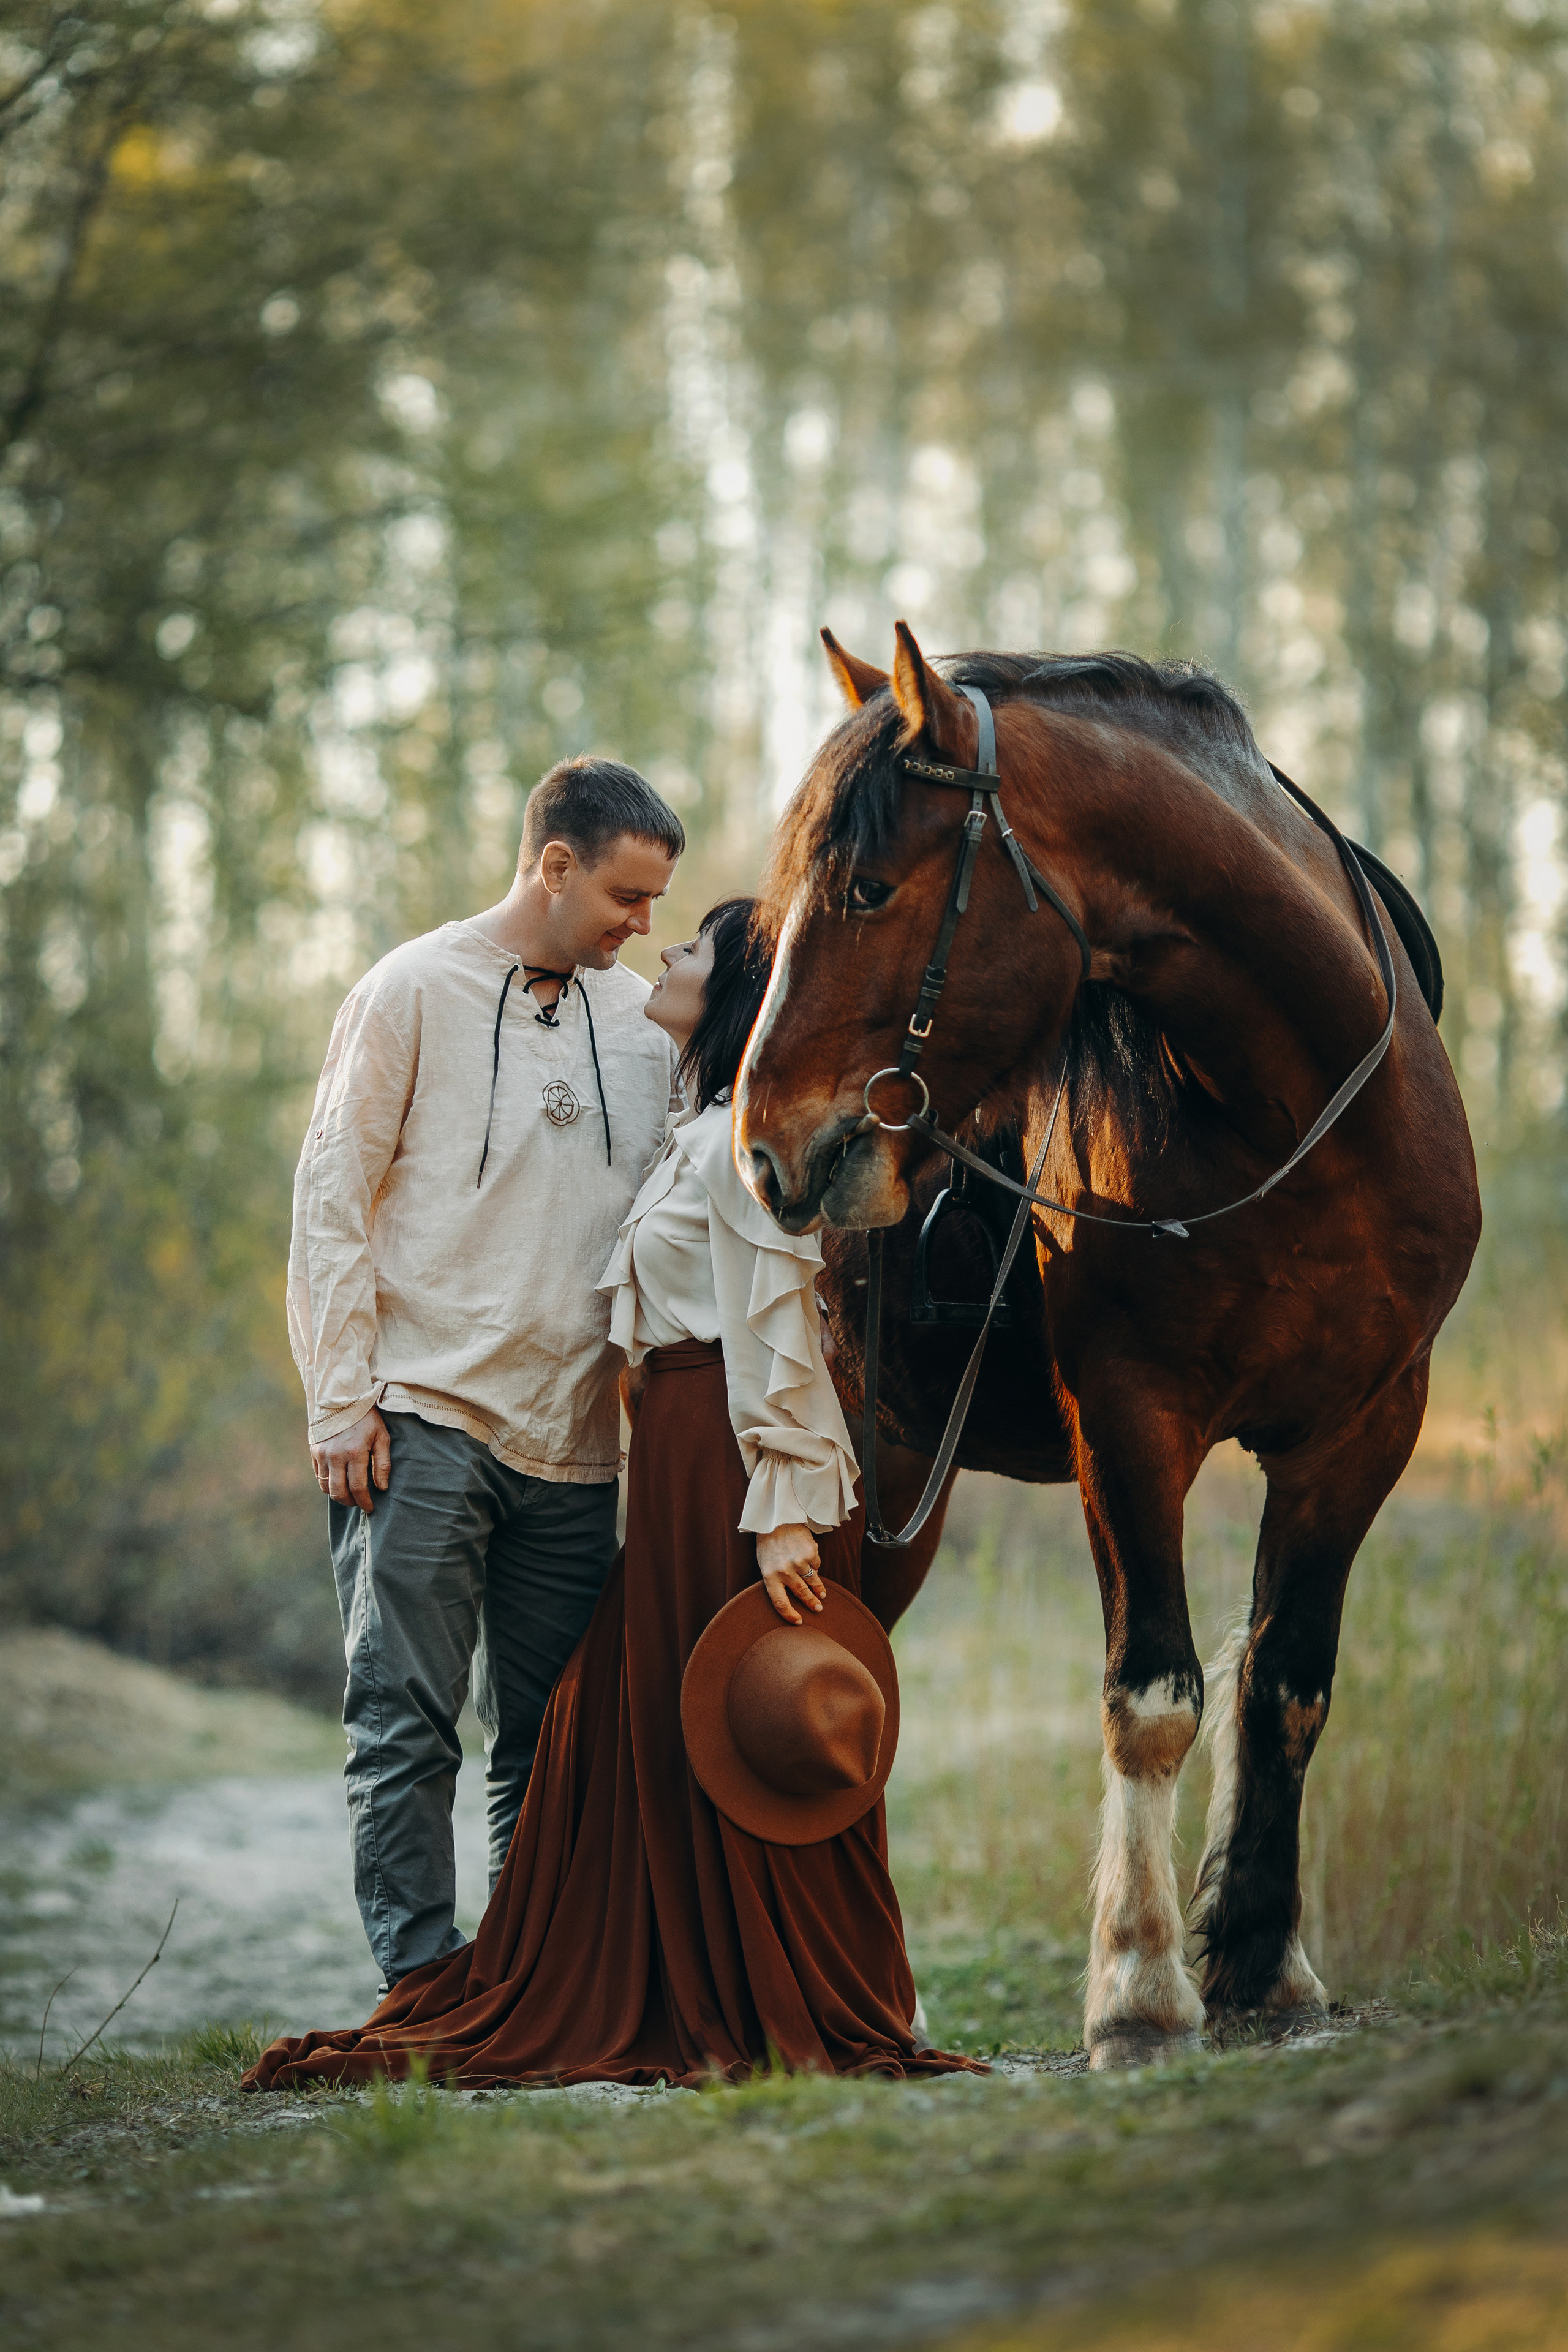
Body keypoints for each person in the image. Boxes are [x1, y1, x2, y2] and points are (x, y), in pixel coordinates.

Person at [247, 899, 979, 2088]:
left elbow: (779, 1330)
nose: (657, 949)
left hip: (738, 1465)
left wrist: (785, 1505)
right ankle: (635, 1962)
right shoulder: (685, 1119)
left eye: (685, 945)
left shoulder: (730, 1138)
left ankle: (754, 1981)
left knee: (690, 1709)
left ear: (731, 985)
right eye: (648, 920)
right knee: (638, 1714)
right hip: (682, 1455)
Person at [288, 754, 685, 1995]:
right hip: (422, 1419)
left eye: (656, 902)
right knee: (404, 1720)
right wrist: (340, 1396)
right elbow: (332, 1198)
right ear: (552, 865)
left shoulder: (640, 1023)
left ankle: (524, 1979)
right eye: (626, 897)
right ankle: (422, 1982)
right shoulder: (410, 989)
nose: (642, 926)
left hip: (576, 1441)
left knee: (554, 1736)